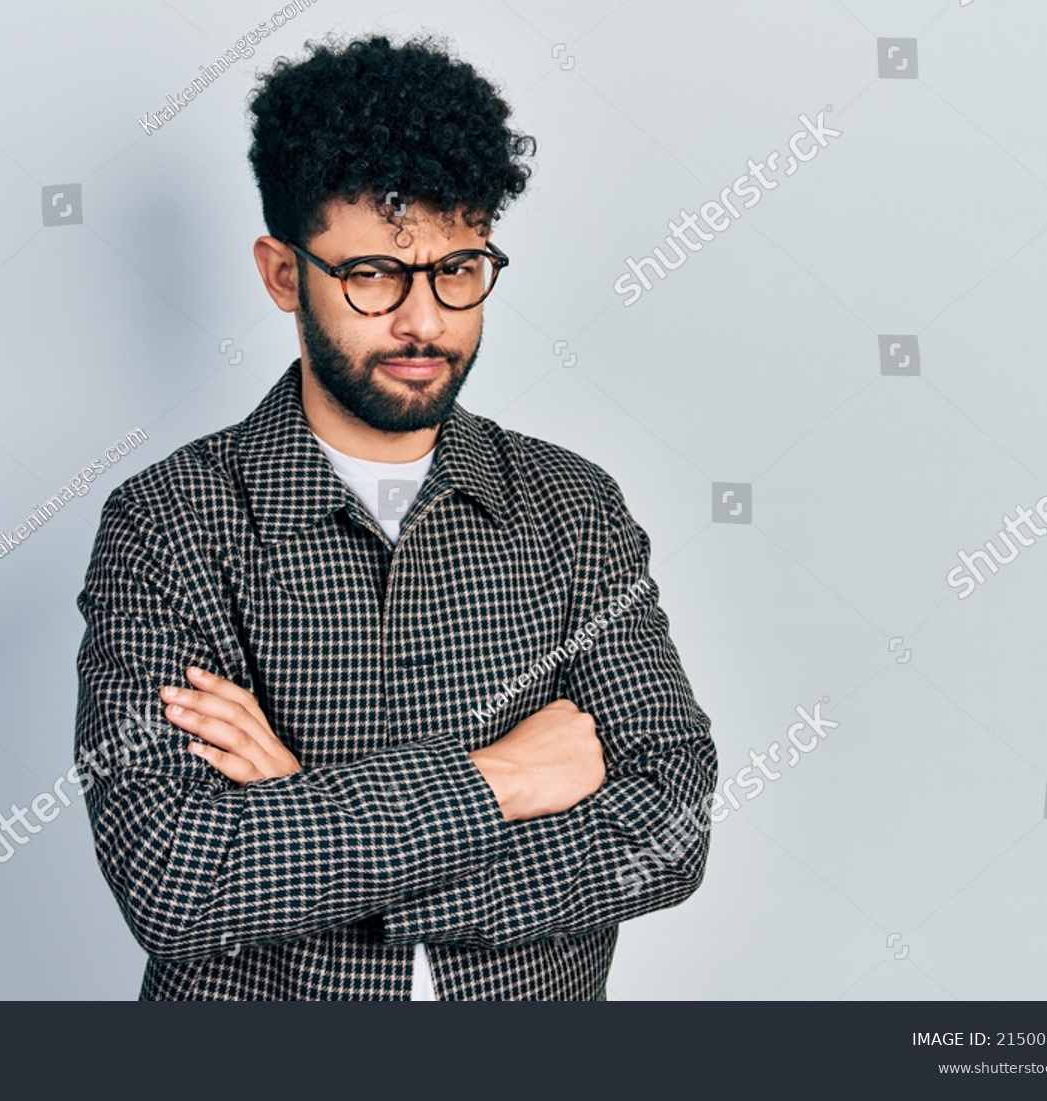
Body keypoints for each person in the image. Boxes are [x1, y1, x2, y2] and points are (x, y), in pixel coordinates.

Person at [75, 33, 717, 1000]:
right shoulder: (170, 523)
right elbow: (176, 879)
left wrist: (303, 812)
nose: (425, 320)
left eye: (459, 267)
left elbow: (669, 826)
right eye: (373, 273)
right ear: (284, 274)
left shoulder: (573, 509)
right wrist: (497, 783)